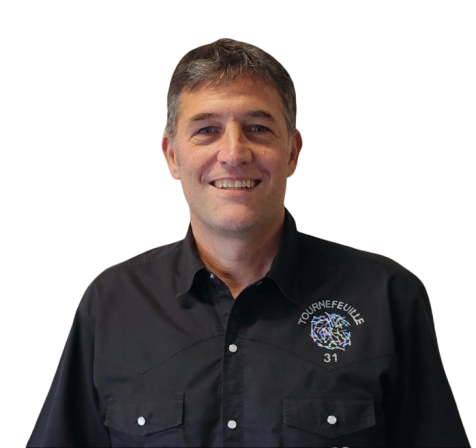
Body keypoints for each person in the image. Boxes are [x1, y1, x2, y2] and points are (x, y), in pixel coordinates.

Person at [28, 37, 469, 447]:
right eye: (206, 130)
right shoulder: (111, 302)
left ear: (292, 152)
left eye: (258, 128)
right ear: (172, 155)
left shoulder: (387, 295)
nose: (234, 153)